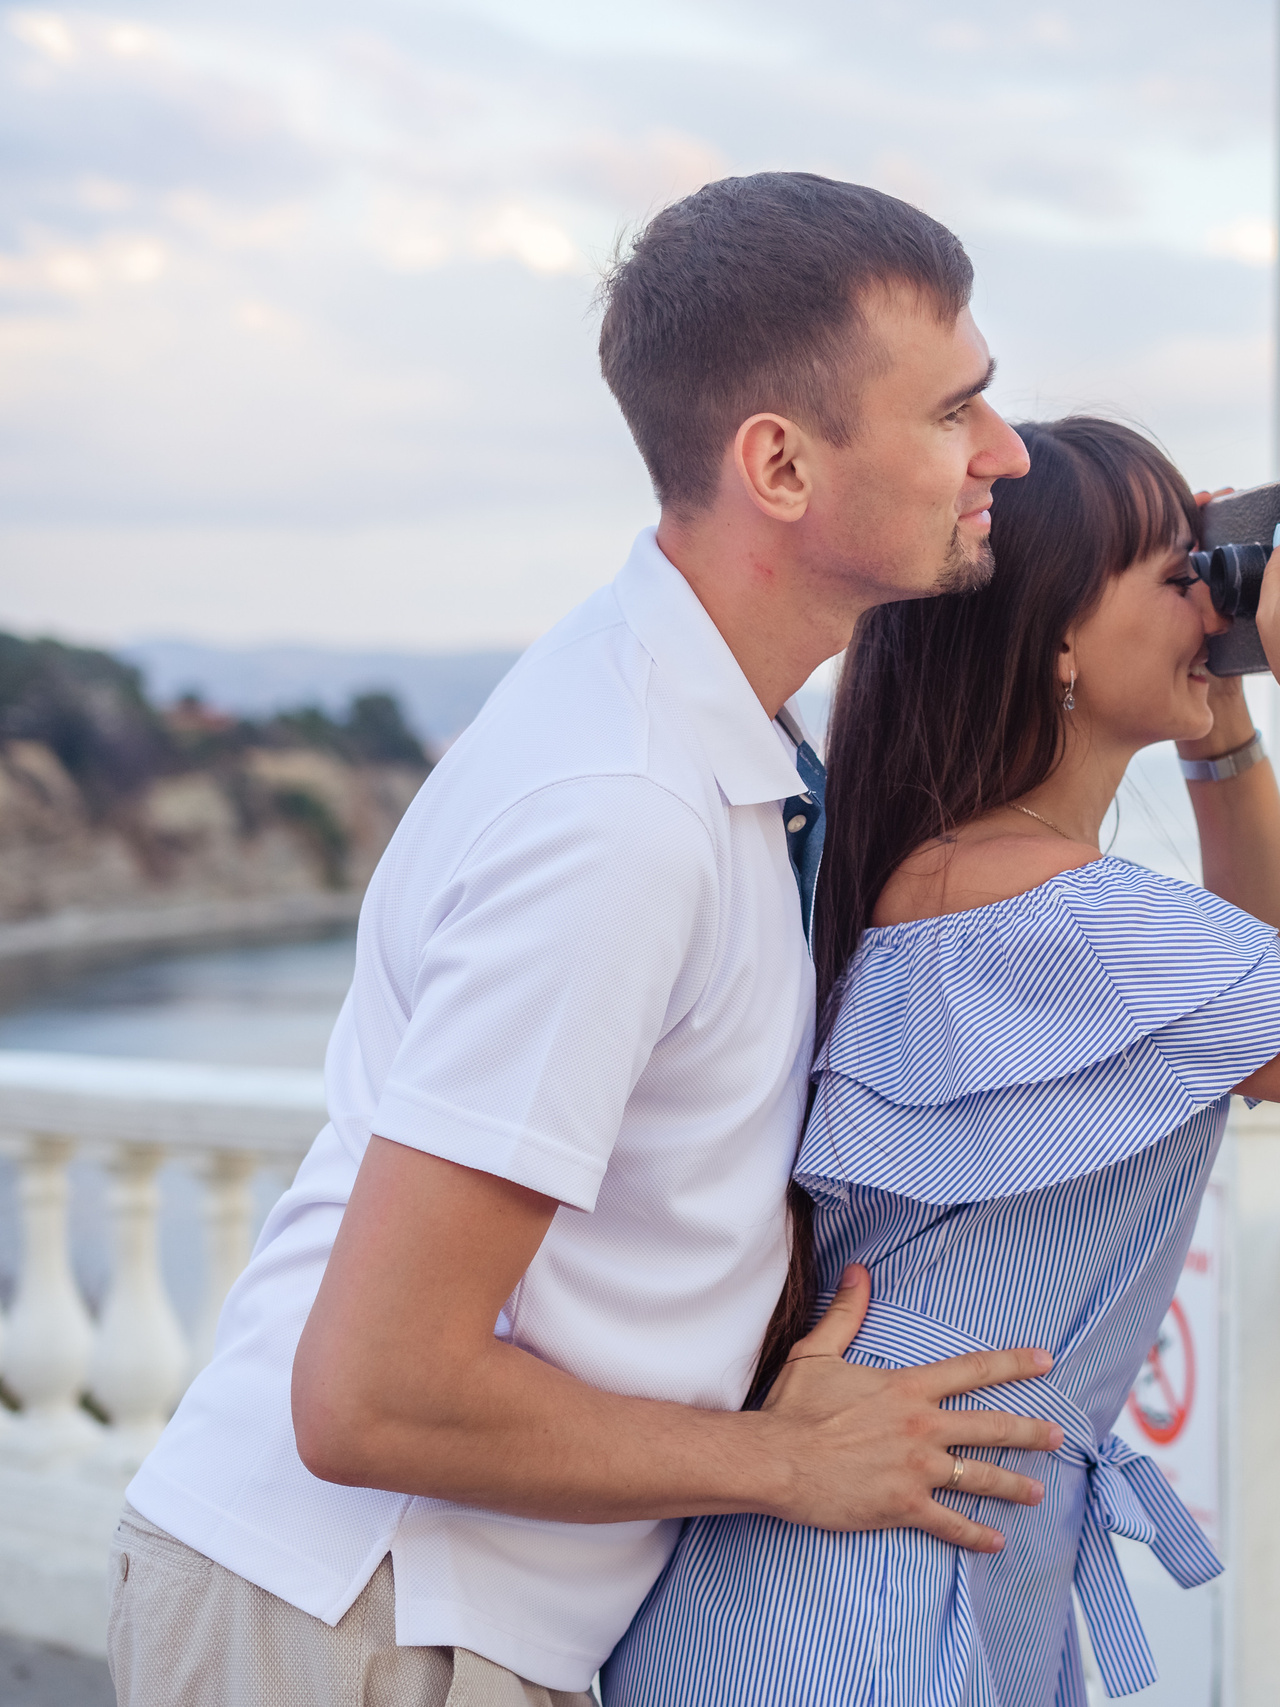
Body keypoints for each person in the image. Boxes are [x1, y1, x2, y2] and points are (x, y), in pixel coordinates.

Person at [108, 174, 1071, 1706]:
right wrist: (786, 1459)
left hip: (421, 1611)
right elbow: (370, 1393)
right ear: (779, 463)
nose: (1004, 451)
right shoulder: (620, 812)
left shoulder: (691, 733)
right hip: (368, 1615)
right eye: (956, 410)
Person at [604, 422, 1280, 1705]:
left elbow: (1267, 1009)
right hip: (885, 1584)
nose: (1214, 608)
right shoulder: (1077, 921)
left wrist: (1225, 724)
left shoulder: (936, 877)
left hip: (853, 1560)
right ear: (1059, 641)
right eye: (1179, 578)